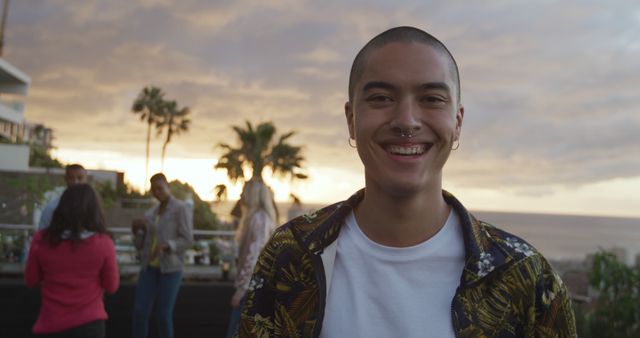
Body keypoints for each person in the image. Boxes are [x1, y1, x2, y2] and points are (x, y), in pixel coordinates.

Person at [235, 26, 577, 337]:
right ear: (351, 119)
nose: (406, 121)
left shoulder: (525, 277)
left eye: (431, 99)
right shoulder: (291, 256)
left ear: (457, 122)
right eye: (382, 98)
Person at [24, 184, 119, 337]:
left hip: (51, 324)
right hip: (90, 325)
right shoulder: (104, 243)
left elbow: (31, 280)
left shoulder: (41, 240)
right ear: (93, 210)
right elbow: (112, 286)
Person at [132, 173, 193, 338]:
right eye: (153, 189)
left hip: (171, 269)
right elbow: (139, 245)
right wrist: (136, 230)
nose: (157, 192)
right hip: (149, 267)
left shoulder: (181, 208)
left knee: (163, 313)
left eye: (160, 188)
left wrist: (168, 246)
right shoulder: (150, 213)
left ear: (168, 187)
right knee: (139, 311)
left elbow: (187, 240)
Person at [225, 179, 278, 338]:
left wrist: (241, 290)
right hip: (252, 287)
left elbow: (254, 256)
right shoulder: (257, 218)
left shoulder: (259, 219)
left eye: (244, 191)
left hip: (251, 289)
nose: (241, 195)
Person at [38, 164, 87, 229]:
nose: (75, 182)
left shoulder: (92, 207)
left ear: (86, 179)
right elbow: (42, 232)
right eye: (71, 178)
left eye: (80, 178)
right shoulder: (52, 207)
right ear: (65, 179)